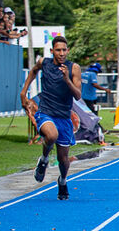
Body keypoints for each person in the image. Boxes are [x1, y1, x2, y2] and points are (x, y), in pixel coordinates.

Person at [20, 35, 82, 200]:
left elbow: (77, 95)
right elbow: (33, 71)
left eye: (64, 50)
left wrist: (67, 79)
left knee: (63, 160)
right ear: (52, 51)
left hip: (64, 117)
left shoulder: (74, 68)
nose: (61, 53)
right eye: (58, 50)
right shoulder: (44, 63)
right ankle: (44, 159)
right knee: (51, 135)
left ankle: (62, 181)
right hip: (46, 112)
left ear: (68, 51)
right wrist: (23, 92)